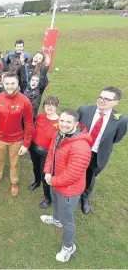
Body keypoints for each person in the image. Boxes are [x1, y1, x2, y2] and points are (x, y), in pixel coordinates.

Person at [40, 109, 92, 263]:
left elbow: (73, 174)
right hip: (55, 182)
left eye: (68, 122)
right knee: (56, 204)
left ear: (76, 124)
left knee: (67, 220)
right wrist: (48, 171)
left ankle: (69, 247)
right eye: (62, 120)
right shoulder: (58, 134)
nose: (64, 124)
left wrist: (52, 180)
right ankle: (56, 220)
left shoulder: (81, 146)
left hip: (69, 190)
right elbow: (50, 154)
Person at [77, 87, 127, 214]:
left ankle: (84, 196)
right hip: (78, 151)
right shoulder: (84, 110)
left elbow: (116, 138)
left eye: (107, 99)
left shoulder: (121, 120)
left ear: (116, 102)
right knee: (75, 171)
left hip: (97, 154)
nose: (101, 101)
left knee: (90, 176)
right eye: (100, 97)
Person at [0, 73, 34, 197]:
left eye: (13, 83)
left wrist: (26, 144)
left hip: (16, 140)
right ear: (3, 84)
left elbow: (29, 124)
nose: (10, 86)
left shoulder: (25, 101)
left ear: (17, 84)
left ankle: (14, 182)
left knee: (14, 163)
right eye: (7, 83)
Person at [29, 96, 60, 208]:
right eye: (47, 104)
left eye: (52, 104)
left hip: (47, 153)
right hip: (34, 148)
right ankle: (36, 182)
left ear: (57, 106)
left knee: (45, 175)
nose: (49, 107)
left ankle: (48, 198)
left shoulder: (60, 122)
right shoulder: (40, 117)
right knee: (35, 167)